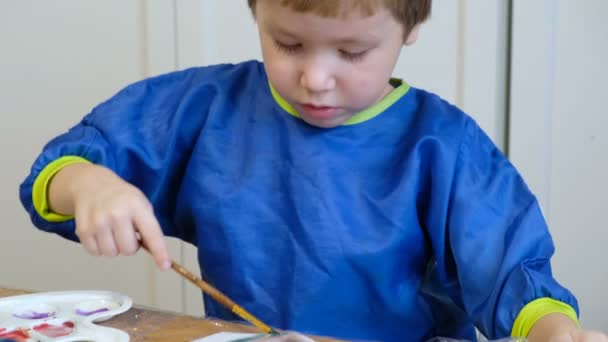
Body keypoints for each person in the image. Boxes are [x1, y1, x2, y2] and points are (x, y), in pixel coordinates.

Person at [18, 0, 608, 341]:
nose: (315, 78)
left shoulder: (442, 144)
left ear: (410, 27)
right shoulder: (205, 109)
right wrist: (88, 185)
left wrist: (553, 331)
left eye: (352, 53)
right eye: (288, 44)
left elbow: (513, 272)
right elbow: (66, 166)